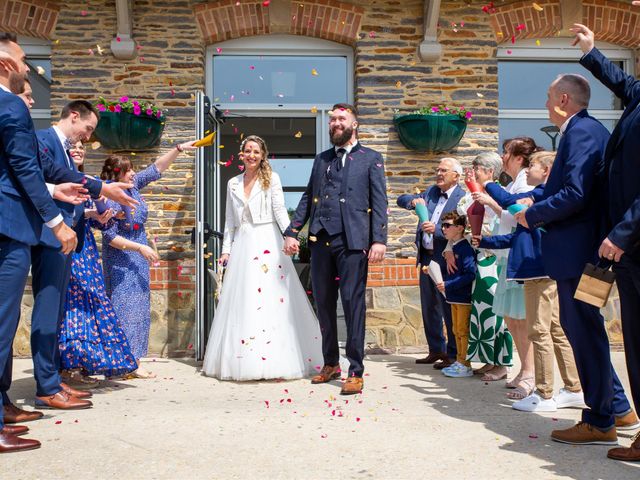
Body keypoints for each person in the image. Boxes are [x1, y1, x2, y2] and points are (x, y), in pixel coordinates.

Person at [0, 33, 134, 452]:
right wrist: (68, 210)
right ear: (74, 116)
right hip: (34, 232)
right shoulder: (34, 131)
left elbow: (49, 178)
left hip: (45, 230)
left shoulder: (61, 145)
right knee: (15, 320)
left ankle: (23, 392)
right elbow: (29, 172)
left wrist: (76, 189)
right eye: (88, 129)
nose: (87, 139)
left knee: (45, 314)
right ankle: (43, 384)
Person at [517, 73, 637, 445]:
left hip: (580, 253)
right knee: (586, 331)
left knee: (583, 331)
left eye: (548, 95)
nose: (545, 102)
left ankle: (601, 418)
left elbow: (575, 193)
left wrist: (531, 215)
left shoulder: (582, 131)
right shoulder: (584, 130)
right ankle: (617, 408)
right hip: (582, 250)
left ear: (564, 99)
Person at [283, 103, 387, 395]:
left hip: (353, 242)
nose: (335, 124)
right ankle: (330, 363)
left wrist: (379, 239)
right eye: (332, 120)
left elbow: (379, 202)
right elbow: (308, 197)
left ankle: (355, 370)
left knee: (353, 305)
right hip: (320, 240)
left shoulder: (371, 158)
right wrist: (292, 231)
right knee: (324, 304)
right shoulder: (321, 159)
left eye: (341, 119)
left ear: (354, 124)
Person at [202, 136, 323, 380]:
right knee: (244, 299)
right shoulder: (233, 184)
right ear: (242, 154)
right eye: (247, 151)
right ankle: (243, 359)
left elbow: (280, 210)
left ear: (262, 155)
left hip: (267, 239)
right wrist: (226, 250)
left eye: (256, 151)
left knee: (272, 298)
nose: (251, 155)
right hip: (243, 245)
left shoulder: (272, 179)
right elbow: (230, 221)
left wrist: (291, 236)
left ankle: (277, 360)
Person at [573, 20, 640, 460]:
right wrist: (593, 51)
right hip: (630, 248)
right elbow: (624, 80)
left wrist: (622, 230)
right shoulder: (639, 97)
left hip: (633, 239)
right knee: (634, 345)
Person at [480, 151, 584, 412]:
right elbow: (519, 235)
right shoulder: (543, 195)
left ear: (547, 171)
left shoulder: (543, 194)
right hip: (541, 269)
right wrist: (485, 241)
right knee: (556, 330)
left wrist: (488, 182)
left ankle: (544, 393)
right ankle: (573, 388)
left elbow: (507, 200)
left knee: (539, 330)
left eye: (534, 165)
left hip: (539, 270)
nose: (528, 170)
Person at [101, 141, 196, 378]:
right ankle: (122, 363)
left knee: (139, 309)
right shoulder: (110, 194)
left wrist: (179, 148)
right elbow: (109, 236)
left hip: (139, 257)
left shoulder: (133, 187)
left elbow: (156, 168)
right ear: (116, 173)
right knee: (124, 308)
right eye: (129, 170)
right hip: (121, 257)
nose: (134, 173)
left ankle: (132, 361)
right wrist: (140, 248)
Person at [58, 141, 138, 383]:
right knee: (73, 302)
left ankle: (83, 362)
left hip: (87, 249)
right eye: (73, 145)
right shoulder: (59, 179)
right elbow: (61, 211)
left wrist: (103, 216)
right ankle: (67, 363)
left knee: (92, 300)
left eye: (83, 146)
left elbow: (96, 220)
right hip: (68, 246)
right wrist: (90, 213)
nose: (79, 149)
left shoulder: (89, 181)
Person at [397, 158, 465, 370]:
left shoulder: (462, 198)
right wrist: (412, 202)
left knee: (448, 306)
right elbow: (402, 198)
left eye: (444, 170)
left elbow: (463, 227)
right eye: (437, 170)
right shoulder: (431, 192)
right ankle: (436, 349)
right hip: (426, 257)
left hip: (448, 258)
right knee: (429, 307)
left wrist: (435, 229)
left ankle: (453, 354)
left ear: (456, 175)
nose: (439, 173)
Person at [453, 153, 512, 381]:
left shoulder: (500, 194)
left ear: (490, 172)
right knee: (482, 311)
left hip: (496, 259)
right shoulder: (471, 195)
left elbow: (507, 220)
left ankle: (502, 364)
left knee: (498, 314)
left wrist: (488, 203)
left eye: (477, 167)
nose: (473, 171)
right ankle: (488, 359)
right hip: (480, 257)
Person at [486, 137, 537, 399]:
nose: (502, 157)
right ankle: (523, 368)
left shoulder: (526, 179)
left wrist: (488, 193)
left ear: (519, 158)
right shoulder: (515, 181)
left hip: (520, 255)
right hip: (507, 254)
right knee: (511, 316)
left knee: (522, 317)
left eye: (506, 152)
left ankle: (530, 372)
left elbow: (515, 214)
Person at [434, 212, 476, 378]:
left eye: (447, 225)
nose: (443, 228)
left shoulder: (464, 248)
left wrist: (448, 285)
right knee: (455, 329)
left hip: (463, 296)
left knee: (462, 330)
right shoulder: (454, 246)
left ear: (459, 228)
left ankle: (465, 364)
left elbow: (470, 274)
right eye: (443, 225)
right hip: (454, 296)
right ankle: (459, 361)